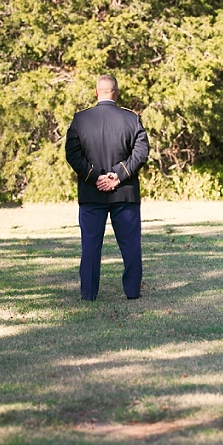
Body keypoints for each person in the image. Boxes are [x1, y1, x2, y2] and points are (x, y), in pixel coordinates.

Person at [65, 74, 149, 301]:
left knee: (90, 246)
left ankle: (89, 293)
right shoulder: (131, 119)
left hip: (91, 192)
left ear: (96, 92)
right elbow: (141, 153)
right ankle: (132, 292)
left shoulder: (80, 119)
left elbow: (72, 154)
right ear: (117, 92)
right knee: (130, 245)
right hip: (125, 191)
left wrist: (95, 177)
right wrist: (119, 175)